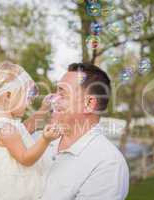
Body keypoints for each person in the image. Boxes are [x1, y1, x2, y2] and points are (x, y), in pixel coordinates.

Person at [0, 61, 61, 200]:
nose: (29, 103)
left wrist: (42, 110)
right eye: (27, 97)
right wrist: (45, 140)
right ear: (8, 96)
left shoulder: (5, 123)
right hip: (11, 192)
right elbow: (25, 158)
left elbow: (25, 130)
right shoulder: (6, 129)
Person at [39, 62, 130, 200]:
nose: (52, 99)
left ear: (89, 104)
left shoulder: (108, 164)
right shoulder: (38, 139)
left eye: (62, 94)